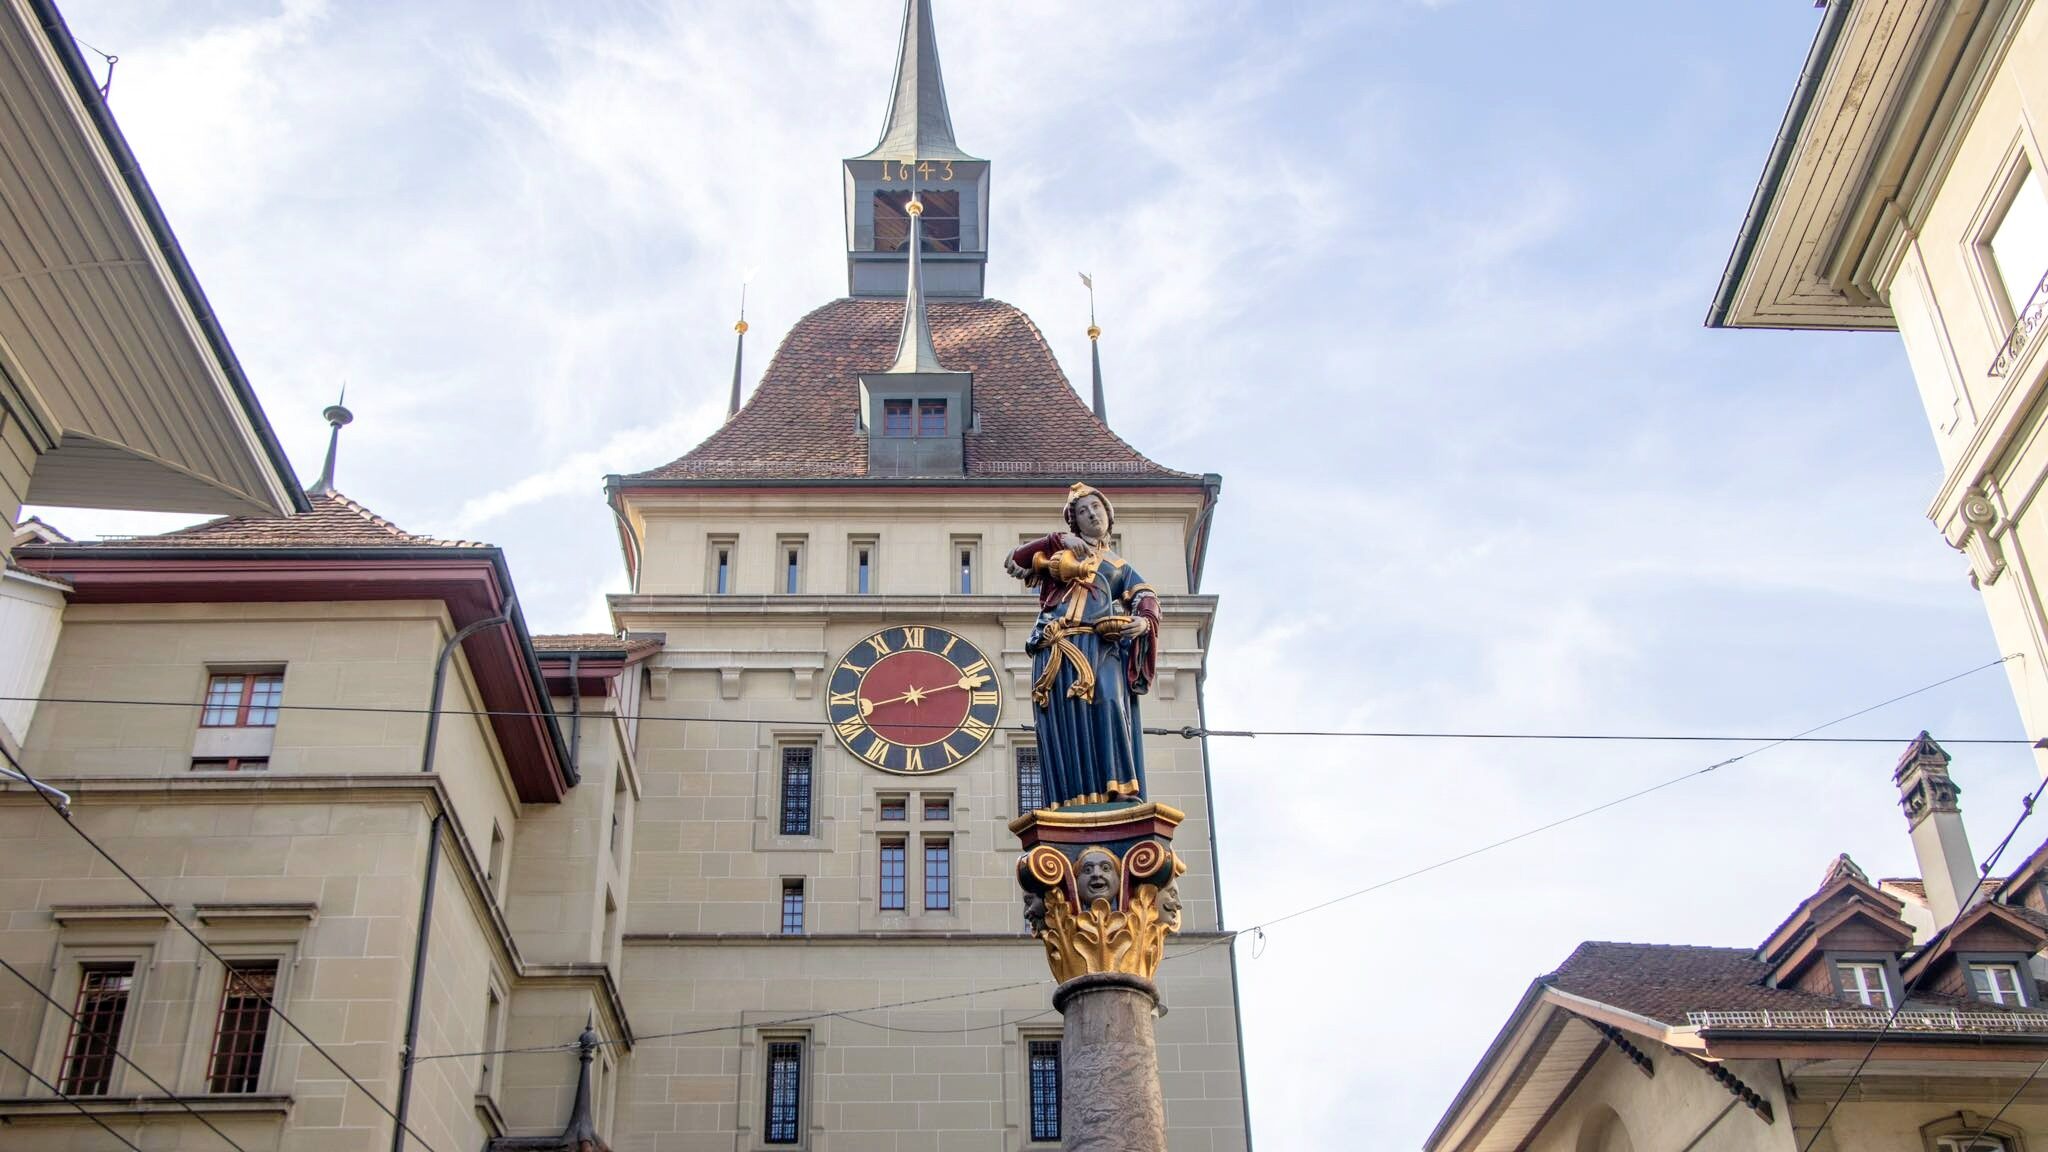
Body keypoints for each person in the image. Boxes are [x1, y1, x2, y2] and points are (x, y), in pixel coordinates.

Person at [1007, 483, 1159, 809]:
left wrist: (1144, 621)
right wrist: (1059, 540)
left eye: (1096, 507)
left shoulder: (1119, 566)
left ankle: (1119, 788)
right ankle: (1068, 799)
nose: (1092, 514)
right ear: (1074, 521)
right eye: (1082, 511)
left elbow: (1146, 597)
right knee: (1061, 720)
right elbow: (1017, 558)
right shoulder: (1061, 551)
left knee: (1110, 698)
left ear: (1108, 513)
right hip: (1056, 645)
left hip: (1100, 643)